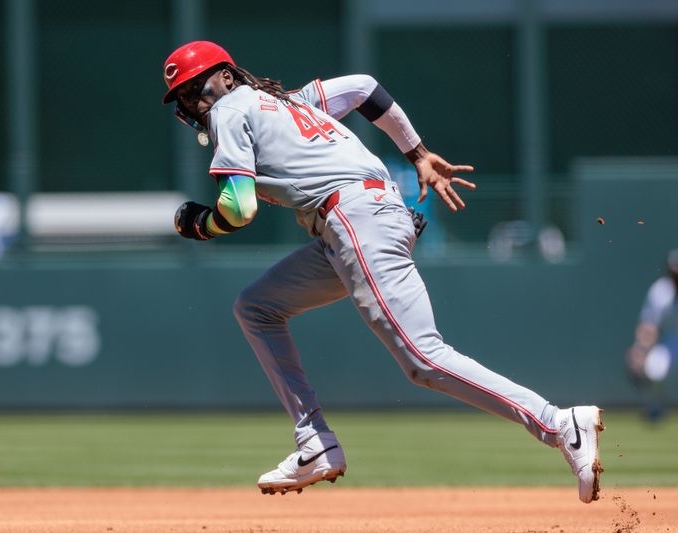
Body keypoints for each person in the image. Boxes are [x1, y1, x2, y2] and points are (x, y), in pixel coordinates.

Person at [162, 40, 604, 503]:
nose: (195, 100)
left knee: (423, 359)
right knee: (256, 307)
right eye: (185, 96)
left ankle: (559, 424)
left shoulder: (230, 110)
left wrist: (202, 224)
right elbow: (364, 88)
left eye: (198, 85)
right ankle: (315, 442)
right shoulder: (283, 101)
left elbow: (238, 207)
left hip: (353, 219)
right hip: (359, 218)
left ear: (227, 76)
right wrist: (417, 154)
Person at [626, 249, 678, 421]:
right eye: (674, 271)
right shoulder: (661, 291)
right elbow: (649, 326)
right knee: (654, 369)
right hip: (673, 339)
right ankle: (655, 407)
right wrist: (640, 349)